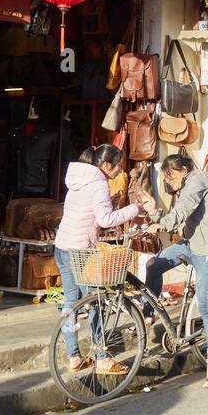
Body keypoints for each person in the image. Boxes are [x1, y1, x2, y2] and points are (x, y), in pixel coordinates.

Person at [55, 144, 155, 374]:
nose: (120, 170)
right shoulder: (98, 182)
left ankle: (74, 357)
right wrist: (135, 208)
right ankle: (102, 357)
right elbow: (106, 219)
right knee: (96, 302)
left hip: (62, 246)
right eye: (118, 165)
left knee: (71, 303)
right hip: (79, 251)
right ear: (106, 164)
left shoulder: (78, 178)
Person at [143, 153, 208, 388]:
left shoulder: (198, 181)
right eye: (166, 178)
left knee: (206, 306)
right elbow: (180, 217)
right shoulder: (185, 185)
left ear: (184, 170)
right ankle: (148, 315)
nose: (169, 182)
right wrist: (154, 211)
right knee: (153, 265)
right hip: (191, 244)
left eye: (170, 176)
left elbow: (183, 209)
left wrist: (162, 223)